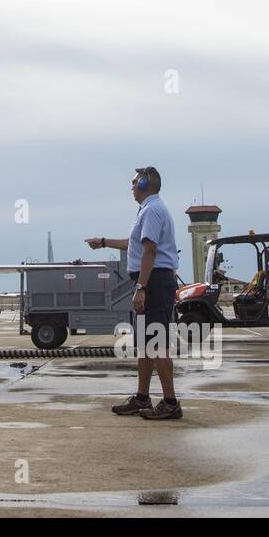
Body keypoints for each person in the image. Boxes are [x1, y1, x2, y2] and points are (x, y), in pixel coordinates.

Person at [85, 166, 183, 420]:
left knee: (157, 343)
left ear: (143, 185)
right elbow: (135, 244)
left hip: (155, 282)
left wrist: (141, 287)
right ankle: (142, 397)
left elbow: (149, 251)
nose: (131, 186)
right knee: (146, 345)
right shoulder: (147, 210)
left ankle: (171, 403)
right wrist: (104, 241)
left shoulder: (152, 210)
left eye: (133, 182)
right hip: (153, 280)